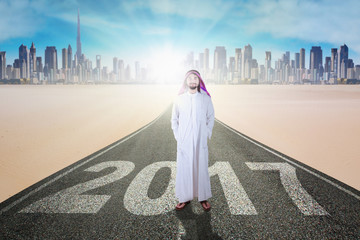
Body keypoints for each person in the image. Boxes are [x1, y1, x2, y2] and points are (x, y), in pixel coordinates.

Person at [171, 70, 215, 212]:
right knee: (184, 169)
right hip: (184, 142)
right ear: (186, 81)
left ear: (199, 81)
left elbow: (211, 117)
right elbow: (174, 120)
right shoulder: (179, 99)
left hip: (200, 141)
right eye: (190, 78)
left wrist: (206, 134)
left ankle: (203, 197)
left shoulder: (205, 99)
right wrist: (179, 136)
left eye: (195, 78)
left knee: (201, 168)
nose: (192, 81)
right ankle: (184, 198)